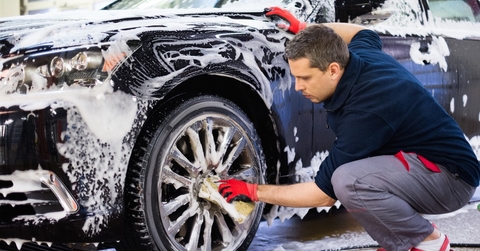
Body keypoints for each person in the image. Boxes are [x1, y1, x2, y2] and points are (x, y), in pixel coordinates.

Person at [217, 6, 480, 251]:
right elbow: (364, 32)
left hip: (451, 181)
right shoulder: (358, 56)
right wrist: (307, 29)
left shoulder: (366, 112)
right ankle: (406, 237)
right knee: (350, 176)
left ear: (333, 69)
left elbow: (323, 196)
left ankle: (428, 243)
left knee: (347, 180)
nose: (298, 86)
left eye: (305, 78)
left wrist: (254, 191)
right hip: (428, 166)